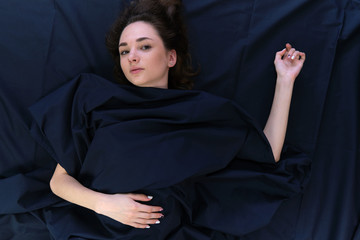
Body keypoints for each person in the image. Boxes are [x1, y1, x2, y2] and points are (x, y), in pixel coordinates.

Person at [29, 0, 307, 238]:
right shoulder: (94, 99)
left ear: (171, 57)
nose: (132, 57)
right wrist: (106, 205)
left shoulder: (202, 112)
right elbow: (59, 182)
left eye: (144, 47)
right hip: (96, 229)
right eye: (124, 51)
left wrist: (285, 80)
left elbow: (267, 152)